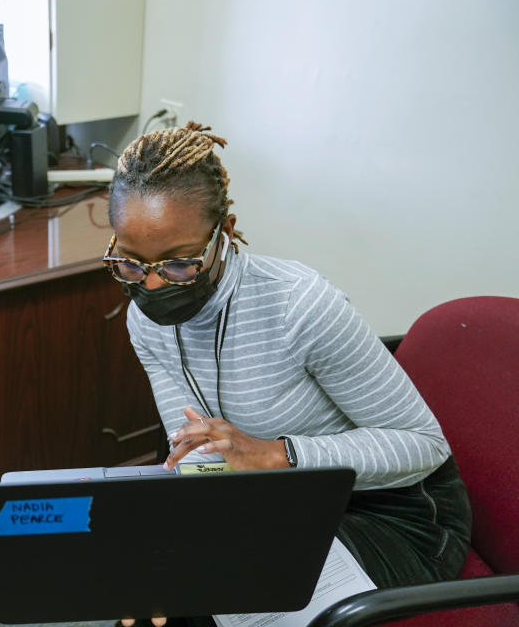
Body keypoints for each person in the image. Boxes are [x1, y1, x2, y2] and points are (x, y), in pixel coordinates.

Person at [104, 123, 471, 627]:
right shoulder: (143, 320)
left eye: (180, 264)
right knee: (150, 605)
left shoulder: (301, 304)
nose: (150, 283)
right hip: (278, 500)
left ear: (225, 232)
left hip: (391, 511)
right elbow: (193, 448)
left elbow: (423, 445)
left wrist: (275, 453)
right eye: (129, 263)